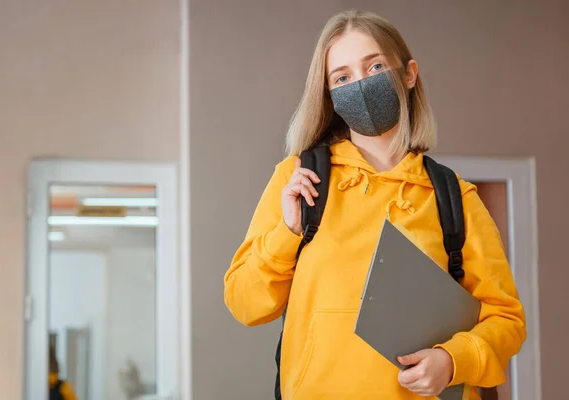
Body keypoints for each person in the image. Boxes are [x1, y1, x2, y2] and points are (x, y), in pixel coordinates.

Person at [224, 9, 526, 400]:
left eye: (375, 65)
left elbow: (506, 320)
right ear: (330, 95)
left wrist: (454, 361)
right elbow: (245, 304)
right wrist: (287, 232)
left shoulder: (455, 198)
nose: (360, 85)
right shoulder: (297, 180)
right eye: (342, 77)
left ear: (408, 74)